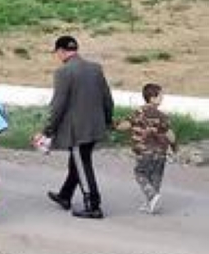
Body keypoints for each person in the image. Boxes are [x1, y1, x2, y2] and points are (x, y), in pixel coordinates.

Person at [36, 36, 114, 219]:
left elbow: (58, 105)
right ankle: (65, 195)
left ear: (62, 51)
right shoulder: (95, 69)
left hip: (77, 130)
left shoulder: (64, 72)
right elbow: (107, 99)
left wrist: (48, 129)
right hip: (95, 126)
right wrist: (108, 120)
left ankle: (93, 205)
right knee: (77, 161)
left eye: (57, 53)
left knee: (82, 164)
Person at [116, 83, 177, 214]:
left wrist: (115, 125)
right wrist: (174, 146)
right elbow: (170, 134)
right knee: (156, 176)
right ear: (152, 98)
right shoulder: (163, 116)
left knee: (140, 174)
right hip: (161, 152)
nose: (163, 97)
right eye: (160, 95)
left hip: (144, 151)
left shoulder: (139, 112)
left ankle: (152, 196)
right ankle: (151, 203)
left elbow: (126, 125)